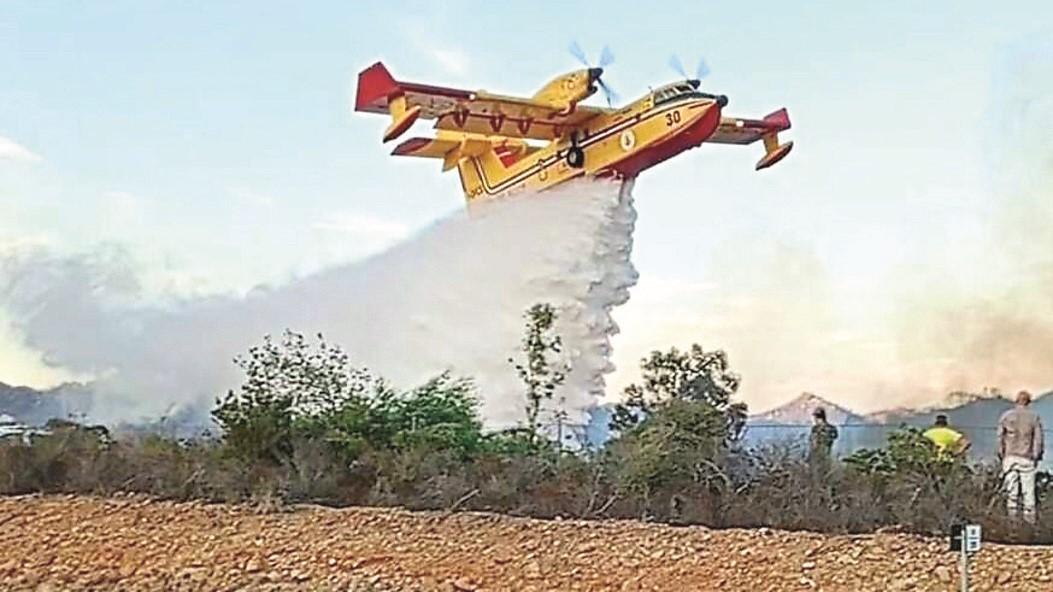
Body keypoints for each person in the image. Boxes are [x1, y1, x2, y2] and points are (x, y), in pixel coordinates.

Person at [998, 390, 1045, 523]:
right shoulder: (1034, 417)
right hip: (1026, 457)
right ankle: (1029, 522)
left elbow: (1000, 437)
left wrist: (1002, 454)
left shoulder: (1006, 416)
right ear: (1029, 402)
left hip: (1010, 456)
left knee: (1011, 492)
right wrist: (1036, 456)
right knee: (1028, 493)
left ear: (1016, 401)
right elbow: (1038, 440)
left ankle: (1012, 522)